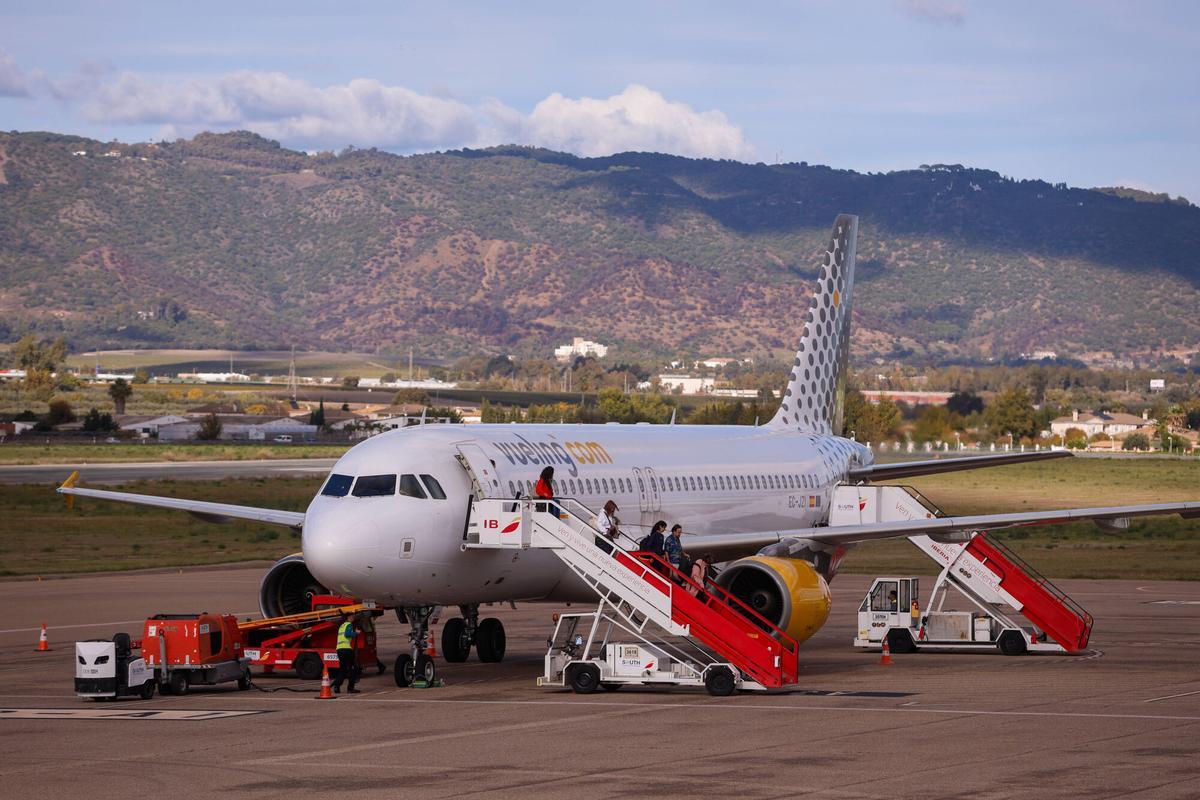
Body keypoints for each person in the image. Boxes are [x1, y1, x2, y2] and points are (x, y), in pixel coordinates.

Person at [331, 615, 361, 694]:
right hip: (346, 649)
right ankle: (350, 689)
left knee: (343, 669)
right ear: (348, 618)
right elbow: (347, 634)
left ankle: (337, 686)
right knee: (352, 669)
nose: (353, 618)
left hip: (339, 649)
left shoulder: (342, 625)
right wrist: (356, 633)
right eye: (352, 617)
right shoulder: (349, 624)